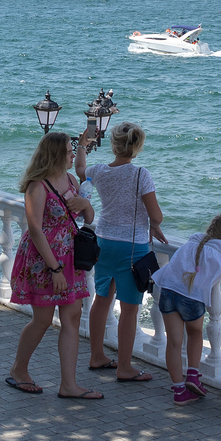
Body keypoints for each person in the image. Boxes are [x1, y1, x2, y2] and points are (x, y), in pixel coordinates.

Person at [5, 131, 100, 400]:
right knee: (43, 319)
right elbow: (35, 229)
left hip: (71, 257)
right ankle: (19, 369)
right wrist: (55, 268)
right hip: (44, 259)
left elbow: (87, 218)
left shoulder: (71, 180)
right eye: (70, 150)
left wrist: (86, 205)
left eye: (73, 150)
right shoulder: (37, 186)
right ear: (57, 154)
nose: (73, 154)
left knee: (72, 317)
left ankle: (68, 385)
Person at [74, 122, 167, 382]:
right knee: (129, 309)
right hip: (131, 248)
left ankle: (96, 356)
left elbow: (80, 170)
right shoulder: (141, 175)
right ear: (137, 147)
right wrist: (155, 225)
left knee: (101, 299)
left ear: (113, 145)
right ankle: (124, 367)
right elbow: (155, 214)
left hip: (103, 242)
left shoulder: (100, 171)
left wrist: (82, 144)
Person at [151, 212, 221, 404]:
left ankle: (179, 391)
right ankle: (193, 376)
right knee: (194, 334)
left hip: (167, 290)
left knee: (174, 343)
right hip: (191, 298)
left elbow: (199, 240)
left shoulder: (195, 239)